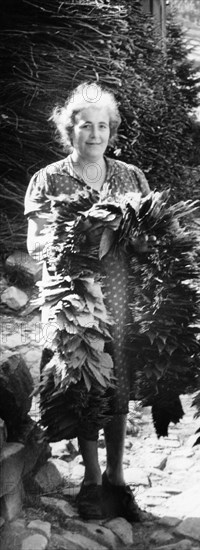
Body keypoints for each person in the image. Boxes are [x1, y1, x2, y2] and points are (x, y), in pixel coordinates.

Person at [25, 82, 150, 521]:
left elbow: (148, 238)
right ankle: (92, 480)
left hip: (120, 294)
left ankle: (118, 479)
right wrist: (72, 238)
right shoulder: (49, 178)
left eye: (102, 126)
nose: (95, 134)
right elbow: (36, 242)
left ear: (111, 130)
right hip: (72, 301)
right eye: (85, 126)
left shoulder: (131, 176)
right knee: (83, 386)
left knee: (117, 386)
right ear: (70, 130)